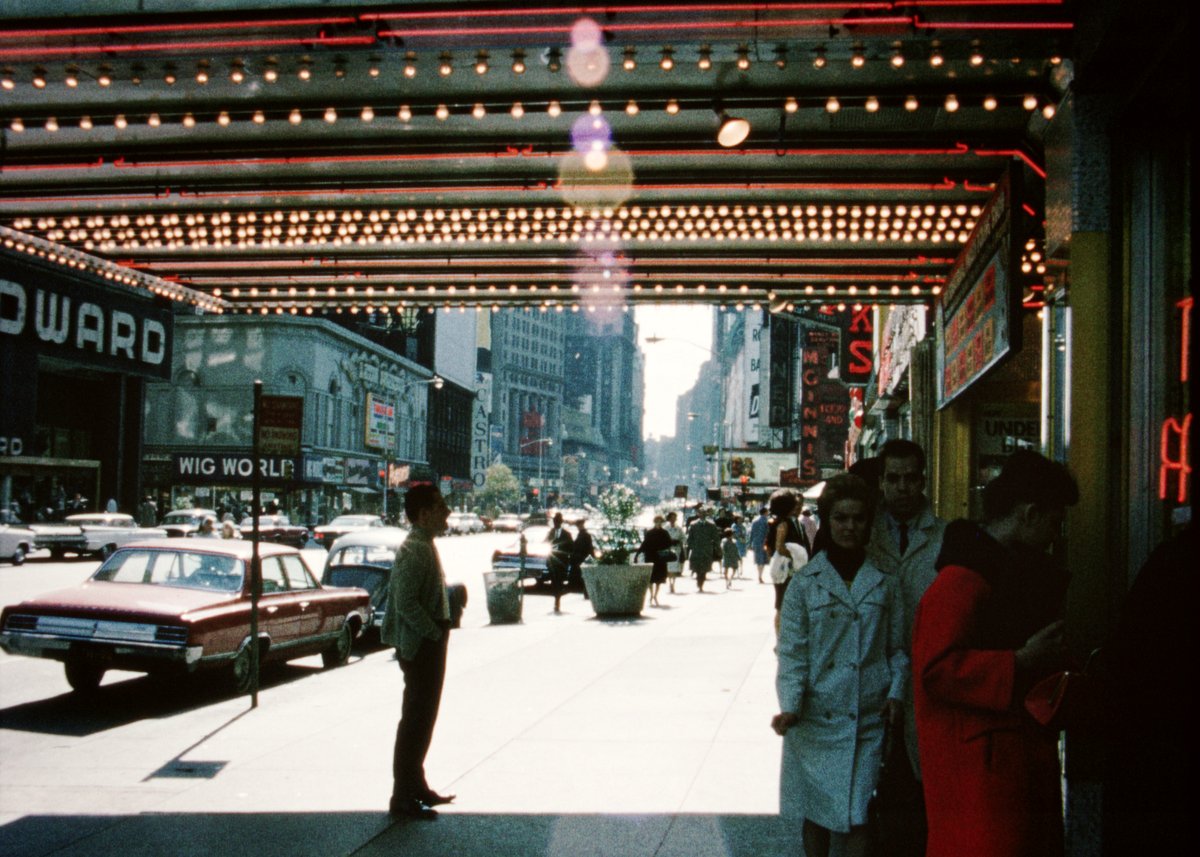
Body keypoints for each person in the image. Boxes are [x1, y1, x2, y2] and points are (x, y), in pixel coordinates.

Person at [912, 450, 1079, 857]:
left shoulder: (991, 570)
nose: (1055, 536)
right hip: (978, 772)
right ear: (1030, 513)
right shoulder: (963, 579)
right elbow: (935, 669)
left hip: (995, 762)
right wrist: (1021, 660)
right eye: (1054, 523)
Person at [772, 473, 908, 857]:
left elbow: (898, 649)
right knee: (816, 815)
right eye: (841, 518)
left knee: (859, 814)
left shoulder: (885, 581)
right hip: (813, 720)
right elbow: (792, 653)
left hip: (867, 718)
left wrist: (896, 694)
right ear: (828, 522)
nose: (850, 526)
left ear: (869, 523)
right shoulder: (805, 584)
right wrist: (791, 707)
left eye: (858, 518)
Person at [863, 438, 948, 845]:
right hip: (869, 678)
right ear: (881, 482)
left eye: (910, 478)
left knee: (918, 789)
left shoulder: (945, 538)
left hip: (927, 681)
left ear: (923, 481)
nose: (902, 487)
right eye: (893, 478)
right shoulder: (860, 533)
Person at [383, 484, 456, 822]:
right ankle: (403, 796)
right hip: (421, 646)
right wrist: (432, 633)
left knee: (423, 719)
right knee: (416, 721)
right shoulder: (417, 549)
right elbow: (405, 602)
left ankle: (417, 785)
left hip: (426, 643)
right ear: (424, 514)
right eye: (441, 506)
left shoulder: (424, 544)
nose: (448, 512)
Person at [766, 488, 809, 631]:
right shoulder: (783, 523)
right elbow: (779, 546)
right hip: (785, 571)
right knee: (781, 606)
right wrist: (795, 555)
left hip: (793, 570)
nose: (798, 507)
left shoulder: (796, 523)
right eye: (795, 504)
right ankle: (779, 638)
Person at [635, 515, 673, 607]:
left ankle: (655, 595)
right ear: (654, 522)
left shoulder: (664, 533)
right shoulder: (650, 532)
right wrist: (638, 554)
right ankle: (651, 595)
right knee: (651, 578)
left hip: (660, 557)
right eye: (657, 521)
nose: (658, 523)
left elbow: (669, 543)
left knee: (659, 579)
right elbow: (645, 544)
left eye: (660, 522)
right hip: (650, 556)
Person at [685, 506, 721, 593]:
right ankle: (698, 581)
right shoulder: (693, 525)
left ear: (706, 514)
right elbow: (690, 538)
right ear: (698, 514)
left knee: (705, 568)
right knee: (697, 568)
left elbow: (716, 538)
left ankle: (701, 583)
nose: (702, 515)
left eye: (704, 513)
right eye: (701, 513)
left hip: (707, 550)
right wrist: (690, 547)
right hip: (696, 549)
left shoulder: (711, 525)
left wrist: (717, 547)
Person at [545, 512, 574, 613]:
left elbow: (571, 548)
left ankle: (557, 601)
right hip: (552, 561)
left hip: (562, 562)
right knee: (554, 582)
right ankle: (556, 599)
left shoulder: (566, 534)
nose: (556, 523)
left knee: (559, 582)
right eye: (554, 521)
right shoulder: (550, 533)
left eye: (557, 521)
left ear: (561, 522)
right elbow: (545, 543)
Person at [569, 518, 596, 596]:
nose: (578, 527)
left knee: (583, 576)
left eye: (578, 525)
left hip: (581, 558)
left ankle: (585, 592)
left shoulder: (584, 535)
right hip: (581, 558)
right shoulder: (583, 534)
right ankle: (585, 591)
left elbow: (586, 548)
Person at [664, 511, 685, 594]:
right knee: (669, 567)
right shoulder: (665, 528)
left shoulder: (679, 528)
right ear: (669, 519)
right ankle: (670, 583)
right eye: (671, 518)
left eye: (674, 518)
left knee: (675, 567)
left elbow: (684, 538)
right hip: (668, 549)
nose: (673, 519)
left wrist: (680, 542)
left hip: (676, 549)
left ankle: (673, 583)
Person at [749, 506, 770, 583]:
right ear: (765, 512)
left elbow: (751, 533)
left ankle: (759, 575)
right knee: (763, 560)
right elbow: (768, 533)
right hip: (764, 543)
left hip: (756, 542)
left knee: (758, 560)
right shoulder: (766, 521)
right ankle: (760, 576)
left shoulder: (754, 521)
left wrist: (750, 543)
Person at [730, 513, 747, 578]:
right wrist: (739, 538)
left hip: (742, 543)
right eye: (739, 519)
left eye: (741, 519)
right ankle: (736, 571)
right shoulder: (734, 526)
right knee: (736, 557)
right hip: (736, 542)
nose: (740, 520)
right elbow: (734, 534)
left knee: (741, 557)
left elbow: (745, 533)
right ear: (736, 519)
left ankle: (740, 570)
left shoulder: (742, 526)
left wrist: (744, 539)